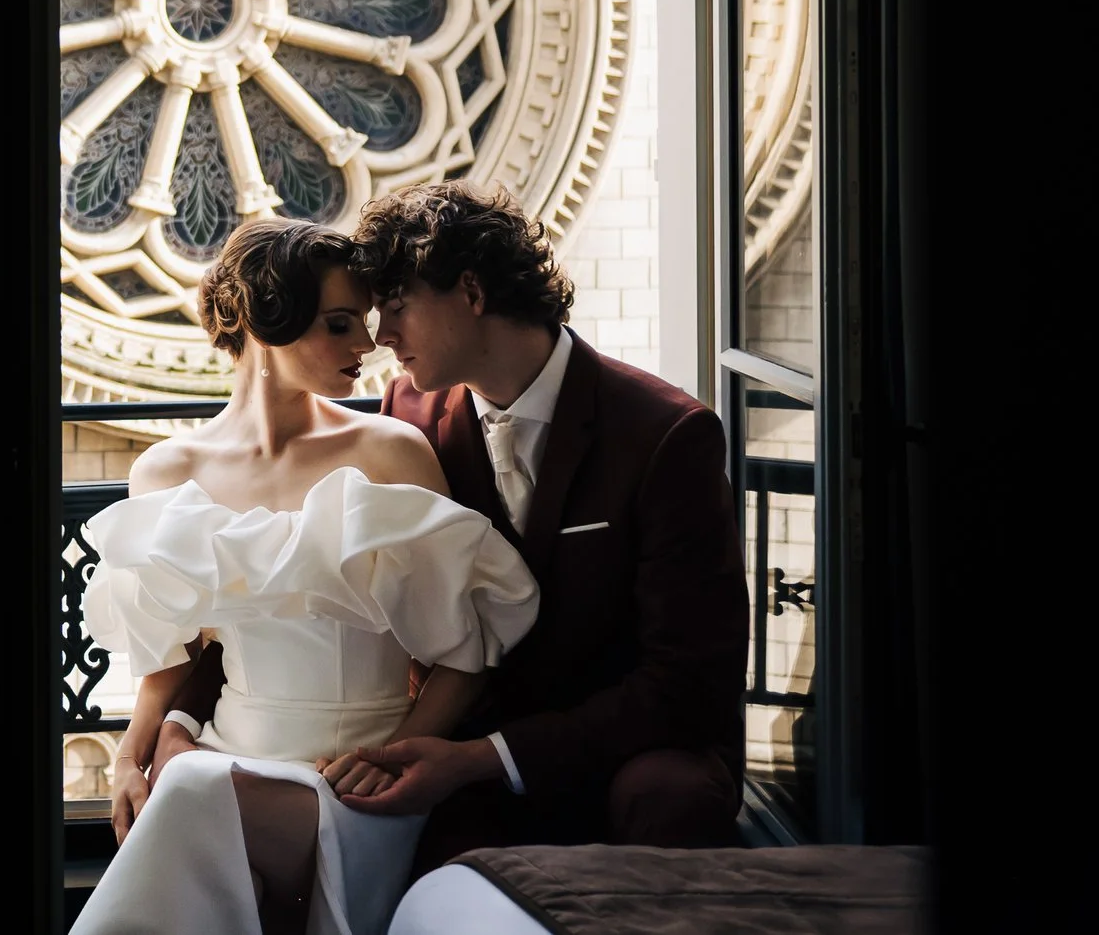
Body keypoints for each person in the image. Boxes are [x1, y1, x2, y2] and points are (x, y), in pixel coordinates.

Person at [186, 180, 747, 897]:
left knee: (671, 799)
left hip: (630, 747)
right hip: (455, 744)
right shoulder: (406, 417)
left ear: (472, 291)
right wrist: (182, 716)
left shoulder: (666, 434)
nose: (378, 335)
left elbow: (689, 682)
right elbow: (286, 579)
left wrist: (486, 755)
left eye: (394, 305)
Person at [72, 217, 539, 935]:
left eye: (368, 322)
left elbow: (465, 654)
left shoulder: (392, 452)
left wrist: (395, 760)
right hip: (227, 755)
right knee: (189, 786)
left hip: (351, 781)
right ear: (266, 318)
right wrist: (131, 758)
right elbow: (168, 660)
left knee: (191, 797)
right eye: (341, 324)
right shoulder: (166, 471)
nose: (368, 346)